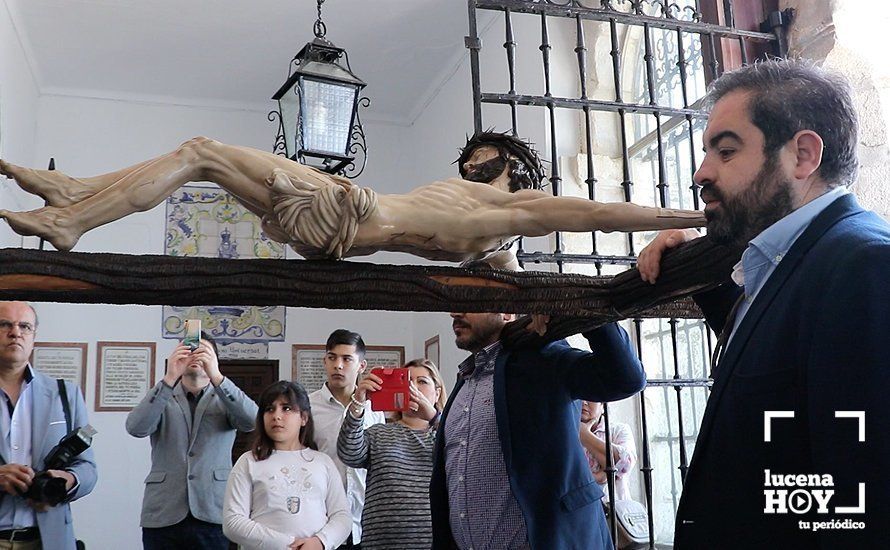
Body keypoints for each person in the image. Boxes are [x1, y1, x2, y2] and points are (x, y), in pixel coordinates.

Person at [637, 59, 890, 548]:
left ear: (802, 155)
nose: (700, 173)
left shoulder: (866, 267)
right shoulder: (797, 262)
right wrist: (706, 283)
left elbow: (860, 502)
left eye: (726, 152)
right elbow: (779, 372)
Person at [0, 132, 704, 265]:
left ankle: (72, 212)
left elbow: (597, 214)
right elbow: (503, 278)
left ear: (510, 167)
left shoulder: (512, 211)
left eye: (480, 159)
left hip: (350, 209)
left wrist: (690, 216)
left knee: (201, 150)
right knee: (202, 164)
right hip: (334, 230)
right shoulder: (493, 244)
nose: (467, 164)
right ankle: (75, 199)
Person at [430, 312, 646, 549]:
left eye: (469, 301)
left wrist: (581, 308)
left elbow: (626, 379)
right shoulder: (466, 381)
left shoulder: (544, 358)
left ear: (506, 312)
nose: (455, 312)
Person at [125, 332, 258, 549]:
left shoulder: (225, 396)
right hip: (163, 512)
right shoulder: (163, 395)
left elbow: (252, 421)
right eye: (190, 350)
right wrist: (169, 378)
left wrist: (217, 377)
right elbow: (135, 428)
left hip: (213, 509)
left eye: (203, 351)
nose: (195, 356)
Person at [0, 301, 96, 550]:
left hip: (47, 540)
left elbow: (88, 468)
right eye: (5, 324)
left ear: (34, 336)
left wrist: (68, 480)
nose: (15, 332)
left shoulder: (65, 393)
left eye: (25, 326)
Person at [223, 380, 351, 550]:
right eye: (269, 409)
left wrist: (320, 542)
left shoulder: (322, 462)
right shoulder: (249, 461)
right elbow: (233, 522)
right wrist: (287, 544)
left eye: (287, 408)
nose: (276, 416)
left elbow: (342, 516)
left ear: (304, 418)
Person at [337, 358, 447, 550]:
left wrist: (433, 418)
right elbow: (349, 453)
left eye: (422, 381)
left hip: (435, 543)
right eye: (406, 380)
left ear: (437, 393)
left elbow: (460, 453)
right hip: (381, 543)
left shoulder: (448, 434)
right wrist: (358, 402)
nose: (413, 387)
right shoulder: (379, 432)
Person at [309, 330, 385, 549]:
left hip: (365, 516)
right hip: (322, 517)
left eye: (347, 359)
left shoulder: (374, 408)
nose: (338, 365)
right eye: (332, 358)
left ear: (361, 365)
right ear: (325, 361)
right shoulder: (308, 406)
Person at [579, 401, 636, 502]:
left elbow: (626, 463)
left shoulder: (618, 430)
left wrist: (586, 436)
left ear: (603, 406)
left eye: (590, 397)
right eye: (580, 397)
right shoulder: (567, 433)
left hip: (614, 507)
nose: (584, 402)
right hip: (579, 507)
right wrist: (599, 477)